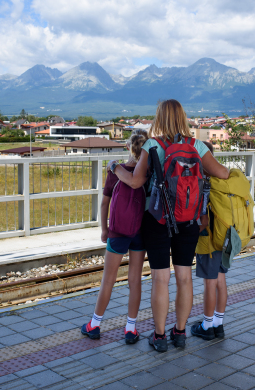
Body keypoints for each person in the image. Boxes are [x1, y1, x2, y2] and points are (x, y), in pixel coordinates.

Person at [107, 100, 229, 352]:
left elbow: (134, 181)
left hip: (158, 218)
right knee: (184, 277)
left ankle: (160, 336)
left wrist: (116, 167)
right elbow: (223, 174)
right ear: (183, 118)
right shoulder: (196, 146)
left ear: (159, 118)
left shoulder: (152, 145)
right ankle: (180, 332)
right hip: (190, 219)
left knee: (160, 278)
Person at [81, 129, 149, 344]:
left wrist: (104, 229)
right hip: (140, 231)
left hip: (118, 231)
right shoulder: (147, 173)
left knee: (108, 280)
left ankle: (95, 324)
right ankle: (130, 329)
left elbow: (104, 202)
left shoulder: (115, 170)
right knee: (135, 280)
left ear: (128, 147)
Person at [191, 141, 227, 341]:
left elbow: (201, 216)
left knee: (209, 283)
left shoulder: (203, 182)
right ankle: (218, 324)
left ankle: (206, 325)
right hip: (224, 237)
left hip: (209, 240)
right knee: (220, 279)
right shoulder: (220, 179)